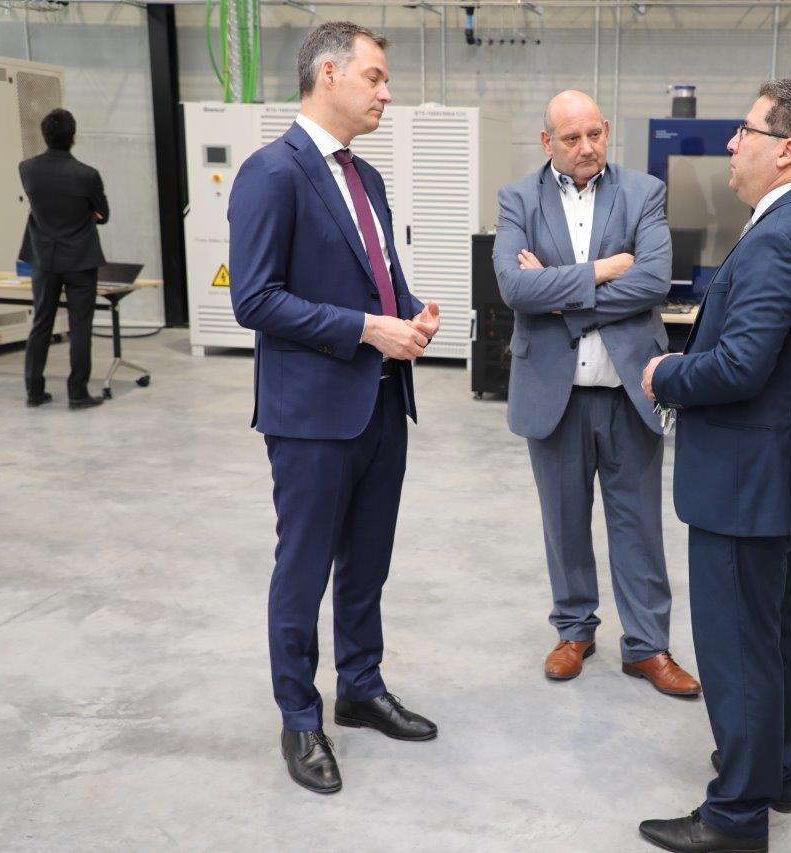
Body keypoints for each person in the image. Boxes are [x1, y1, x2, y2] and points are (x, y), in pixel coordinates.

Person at [638, 78, 791, 852]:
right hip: (787, 474)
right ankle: (776, 771)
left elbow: (738, 366)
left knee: (737, 649)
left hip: (746, 482)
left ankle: (735, 815)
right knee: (776, 634)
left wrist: (666, 374)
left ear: (787, 149)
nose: (732, 143)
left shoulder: (780, 238)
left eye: (747, 131)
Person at [228, 21, 441, 796]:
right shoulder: (271, 173)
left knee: (367, 560)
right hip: (313, 414)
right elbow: (255, 299)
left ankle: (361, 686)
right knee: (305, 567)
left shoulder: (366, 177)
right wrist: (364, 329)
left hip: (380, 402)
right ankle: (299, 715)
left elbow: (380, 275)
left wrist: (411, 313)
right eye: (375, 77)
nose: (387, 93)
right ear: (328, 74)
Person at [493, 90, 699, 698]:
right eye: (571, 138)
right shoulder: (518, 199)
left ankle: (647, 645)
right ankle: (573, 631)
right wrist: (604, 271)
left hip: (628, 390)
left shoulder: (643, 192)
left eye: (594, 134)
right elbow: (513, 288)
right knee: (563, 522)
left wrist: (558, 296)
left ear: (605, 129)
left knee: (639, 525)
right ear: (547, 142)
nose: (586, 148)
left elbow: (653, 281)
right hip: (552, 394)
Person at [18, 108, 109, 409]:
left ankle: (34, 391)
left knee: (41, 322)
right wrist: (88, 214)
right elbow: (104, 214)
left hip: (44, 258)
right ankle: (78, 393)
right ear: (73, 137)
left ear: (44, 136)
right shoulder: (87, 175)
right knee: (80, 326)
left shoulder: (27, 169)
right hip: (80, 259)